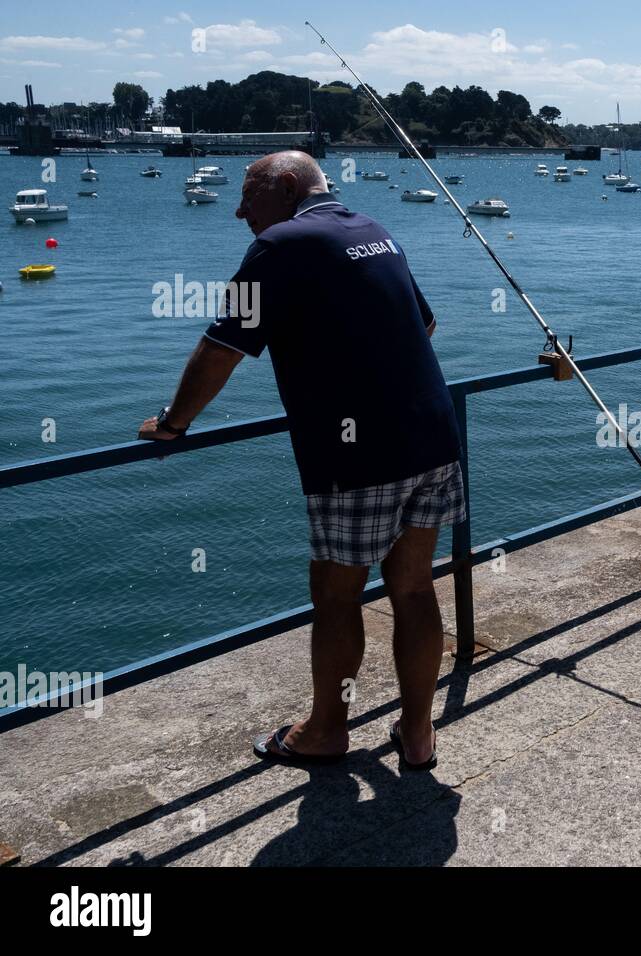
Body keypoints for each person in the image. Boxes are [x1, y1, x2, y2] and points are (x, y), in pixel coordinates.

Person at [137, 151, 462, 771]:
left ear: (285, 187)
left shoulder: (280, 246)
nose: (238, 211)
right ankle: (418, 737)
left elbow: (221, 350)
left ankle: (326, 732)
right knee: (415, 589)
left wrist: (175, 423)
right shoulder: (373, 230)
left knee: (338, 598)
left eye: (247, 195)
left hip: (357, 454)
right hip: (433, 434)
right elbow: (426, 322)